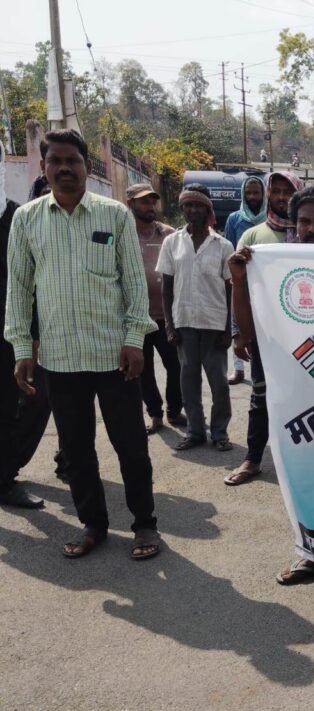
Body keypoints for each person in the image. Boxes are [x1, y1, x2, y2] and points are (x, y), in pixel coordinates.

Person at [5, 129, 161, 559]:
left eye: (71, 160)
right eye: (54, 161)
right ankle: (93, 525)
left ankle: (145, 525)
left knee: (131, 446)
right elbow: (19, 289)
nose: (64, 168)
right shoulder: (27, 219)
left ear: (86, 167)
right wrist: (22, 349)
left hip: (114, 356)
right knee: (76, 451)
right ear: (44, 168)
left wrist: (134, 339)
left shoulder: (114, 215)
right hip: (59, 359)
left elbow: (133, 283)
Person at [228, 184, 314, 599]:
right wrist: (239, 281)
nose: (311, 229)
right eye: (304, 221)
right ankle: (312, 552)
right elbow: (249, 331)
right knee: (301, 477)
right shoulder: (275, 269)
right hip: (293, 394)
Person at [225, 172, 301, 485]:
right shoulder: (253, 237)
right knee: (261, 396)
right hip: (267, 335)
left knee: (305, 397)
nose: (282, 197)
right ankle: (253, 458)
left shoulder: (310, 235)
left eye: (288, 191)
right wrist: (238, 332)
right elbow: (240, 287)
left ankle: (304, 462)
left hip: (306, 336)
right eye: (277, 191)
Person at [157, 184, 234, 452]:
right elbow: (167, 287)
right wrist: (169, 325)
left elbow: (230, 289)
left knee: (220, 384)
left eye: (198, 205)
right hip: (184, 323)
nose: (193, 210)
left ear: (207, 208)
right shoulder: (172, 243)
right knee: (188, 383)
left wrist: (228, 329)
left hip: (214, 324)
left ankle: (220, 433)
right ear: (183, 208)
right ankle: (195, 432)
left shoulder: (223, 245)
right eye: (188, 205)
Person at [0, 142, 48, 509]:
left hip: (11, 333)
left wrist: (30, 335)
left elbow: (29, 281)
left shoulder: (17, 218)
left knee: (26, 403)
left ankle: (5, 477)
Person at [127, 183, 183, 436]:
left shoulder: (168, 234)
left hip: (167, 315)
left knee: (176, 365)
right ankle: (155, 414)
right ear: (131, 204)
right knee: (143, 370)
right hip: (136, 317)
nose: (150, 206)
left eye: (152, 201)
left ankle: (174, 411)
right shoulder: (123, 233)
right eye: (144, 202)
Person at [223, 175, 267, 385]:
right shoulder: (234, 219)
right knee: (238, 324)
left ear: (263, 194)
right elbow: (230, 247)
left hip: (265, 282)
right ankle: (239, 370)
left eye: (256, 192)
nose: (252, 197)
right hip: (242, 279)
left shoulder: (271, 218)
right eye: (248, 193)